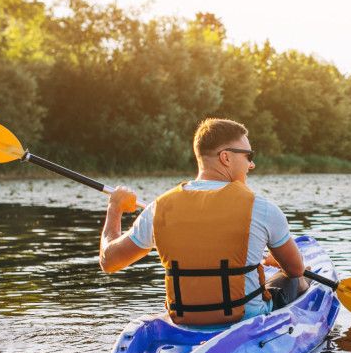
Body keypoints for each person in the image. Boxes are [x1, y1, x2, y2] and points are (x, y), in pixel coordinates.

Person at [98, 118, 308, 326]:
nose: (251, 164)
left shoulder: (159, 208)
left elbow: (109, 261)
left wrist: (114, 208)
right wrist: (276, 260)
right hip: (246, 320)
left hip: (185, 320)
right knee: (298, 279)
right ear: (226, 157)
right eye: (248, 156)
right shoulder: (261, 208)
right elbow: (295, 269)